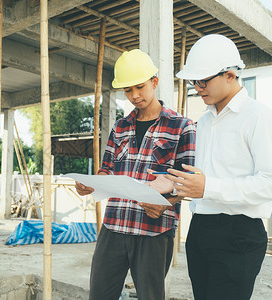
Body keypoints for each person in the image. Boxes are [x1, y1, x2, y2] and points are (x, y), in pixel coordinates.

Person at [166, 34, 272, 300]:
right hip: (200, 229)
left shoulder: (260, 119)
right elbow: (203, 177)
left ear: (230, 75)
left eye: (203, 80)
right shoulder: (206, 121)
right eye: (194, 81)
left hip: (239, 234)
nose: (198, 87)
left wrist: (209, 187)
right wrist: (174, 187)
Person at [75, 49, 196, 300]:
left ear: (155, 82)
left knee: (150, 296)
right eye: (128, 90)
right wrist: (91, 184)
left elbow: (185, 182)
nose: (134, 96)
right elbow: (107, 169)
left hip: (154, 230)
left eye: (139, 87)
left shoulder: (182, 126)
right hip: (114, 224)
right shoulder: (120, 127)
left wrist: (165, 205)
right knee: (99, 294)